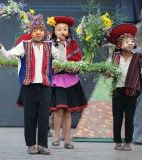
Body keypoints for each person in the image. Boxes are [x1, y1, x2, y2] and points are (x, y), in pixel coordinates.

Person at [0, 14, 67, 155]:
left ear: (45, 32)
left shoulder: (49, 46)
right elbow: (7, 55)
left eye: (41, 30)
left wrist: (62, 45)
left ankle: (43, 145)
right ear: (31, 32)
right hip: (29, 87)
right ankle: (31, 145)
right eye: (35, 30)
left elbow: (62, 60)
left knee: (44, 116)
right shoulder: (24, 45)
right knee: (30, 116)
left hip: (45, 86)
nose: (38, 32)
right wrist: (0, 47)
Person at [106, 23, 142, 151]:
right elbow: (107, 72)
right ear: (120, 45)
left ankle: (127, 142)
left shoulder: (138, 57)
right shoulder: (114, 57)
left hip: (132, 92)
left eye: (132, 40)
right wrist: (107, 72)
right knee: (117, 118)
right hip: (117, 92)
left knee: (129, 118)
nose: (131, 43)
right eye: (127, 41)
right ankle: (117, 141)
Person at [47, 16, 88, 149]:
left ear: (69, 31)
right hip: (57, 81)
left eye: (65, 29)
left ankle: (67, 140)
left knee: (67, 111)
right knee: (59, 109)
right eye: (59, 29)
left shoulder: (73, 44)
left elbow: (78, 60)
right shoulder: (50, 44)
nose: (62, 31)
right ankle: (57, 138)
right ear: (54, 32)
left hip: (70, 80)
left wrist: (76, 66)